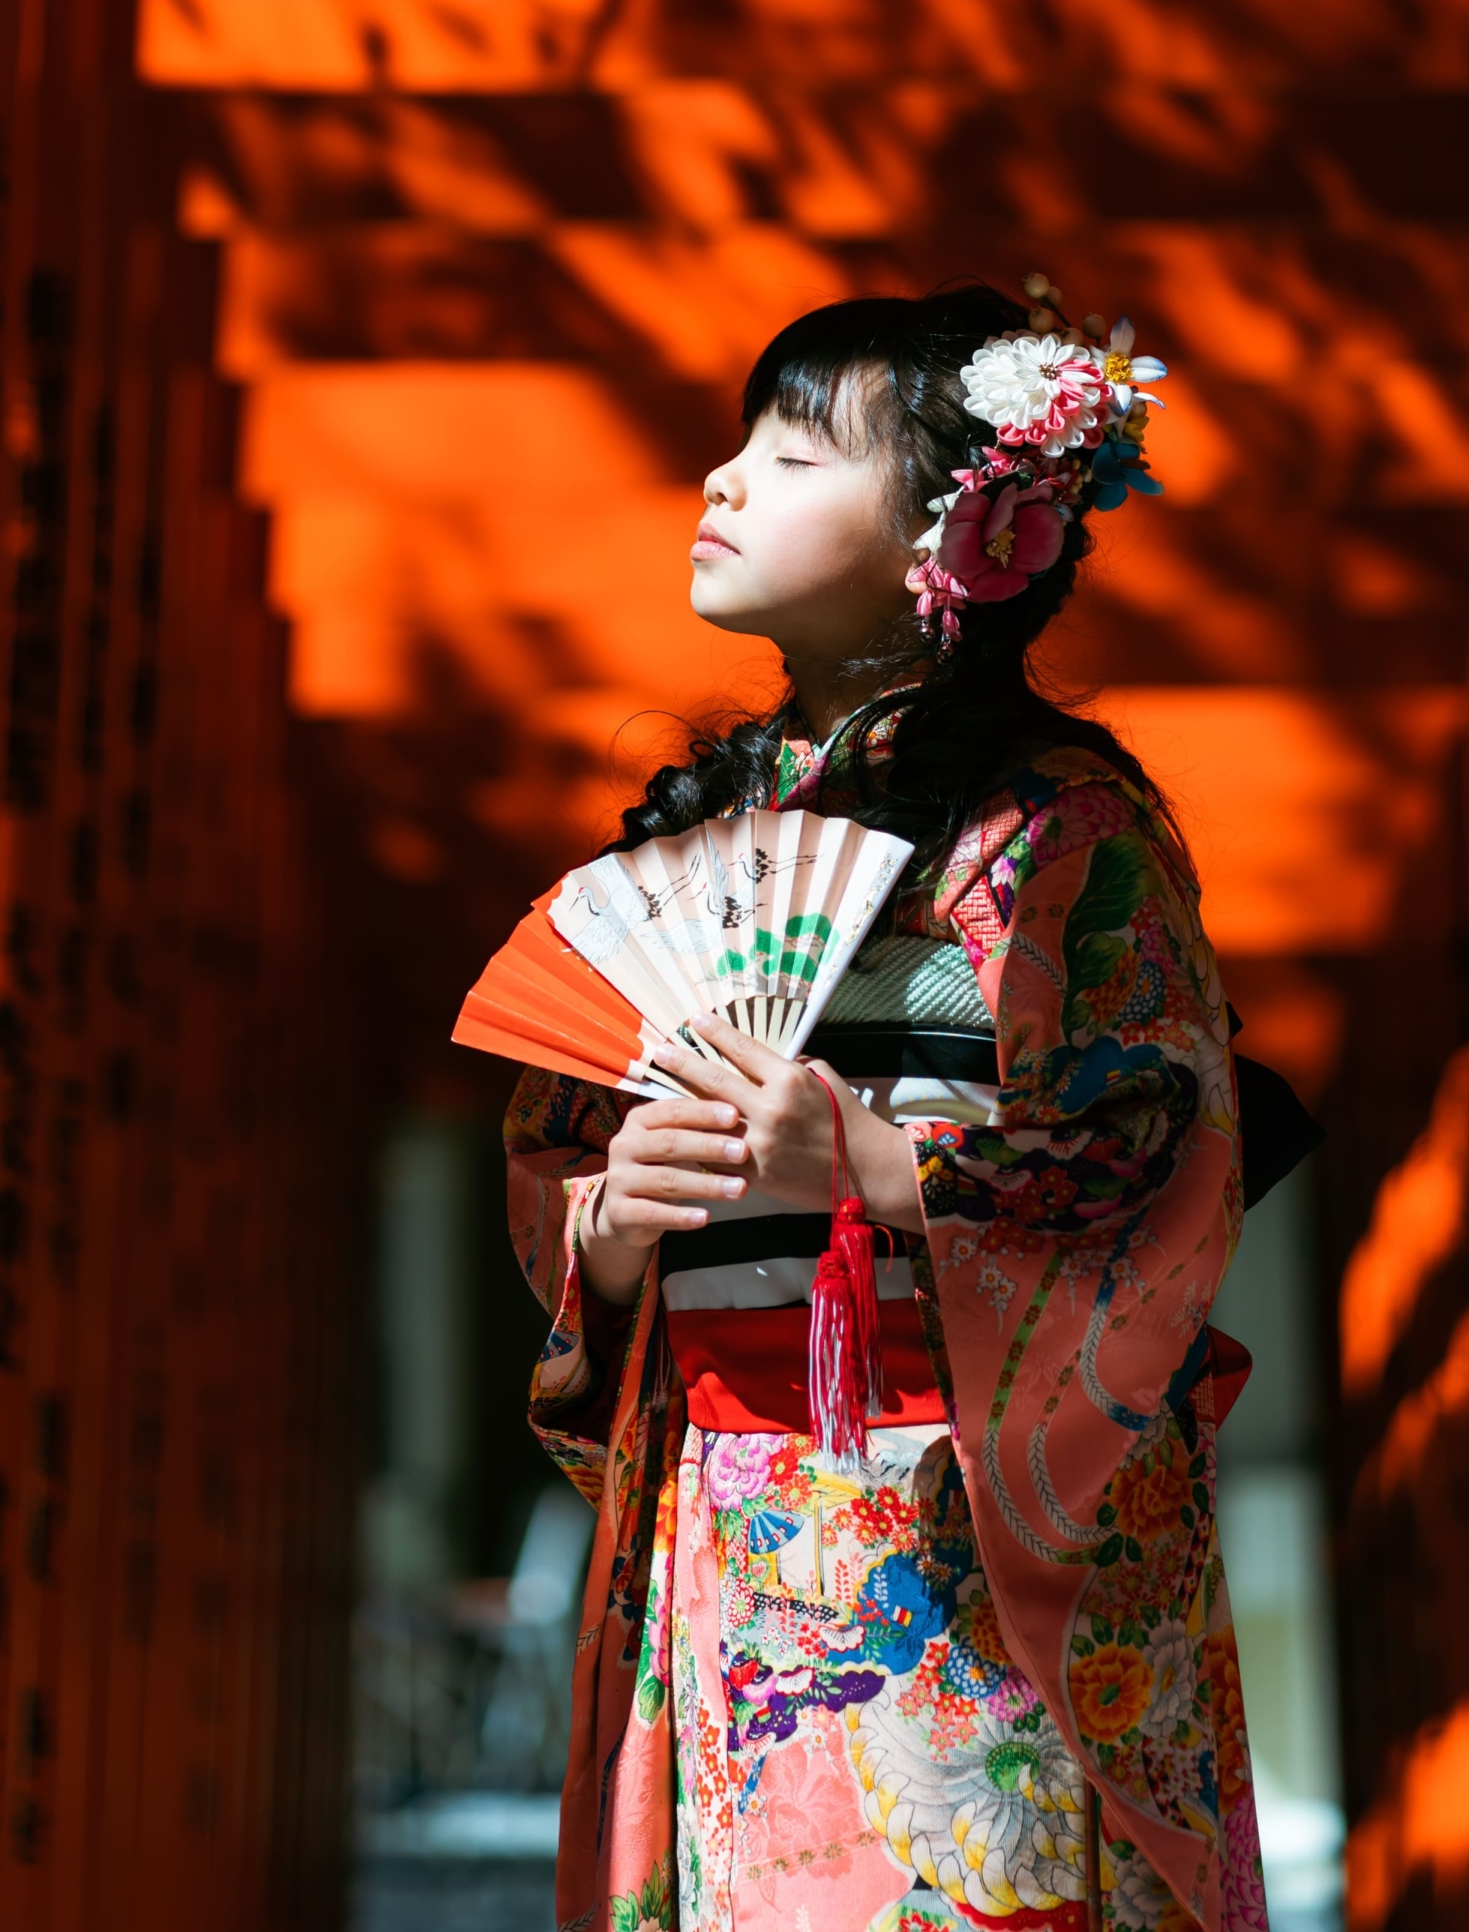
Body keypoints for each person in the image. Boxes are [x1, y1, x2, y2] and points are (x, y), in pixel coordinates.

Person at [503, 283, 1265, 1932]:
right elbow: (556, 1147)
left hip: (961, 1509)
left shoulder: (1059, 829)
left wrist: (887, 1163)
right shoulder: (692, 835)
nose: (720, 481)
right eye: (737, 444)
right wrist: (616, 1223)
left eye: (788, 454)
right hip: (730, 1506)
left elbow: (1165, 1140)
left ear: (963, 527)